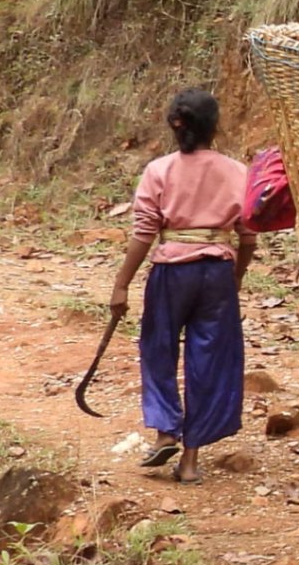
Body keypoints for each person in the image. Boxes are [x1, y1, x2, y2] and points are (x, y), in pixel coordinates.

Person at [108, 87, 252, 484]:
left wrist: (121, 286)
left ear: (175, 125)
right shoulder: (238, 171)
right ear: (214, 126)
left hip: (172, 273)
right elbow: (249, 236)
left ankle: (166, 430)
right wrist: (234, 278)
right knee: (209, 362)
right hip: (217, 273)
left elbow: (143, 233)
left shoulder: (159, 171)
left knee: (158, 348)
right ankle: (190, 462)